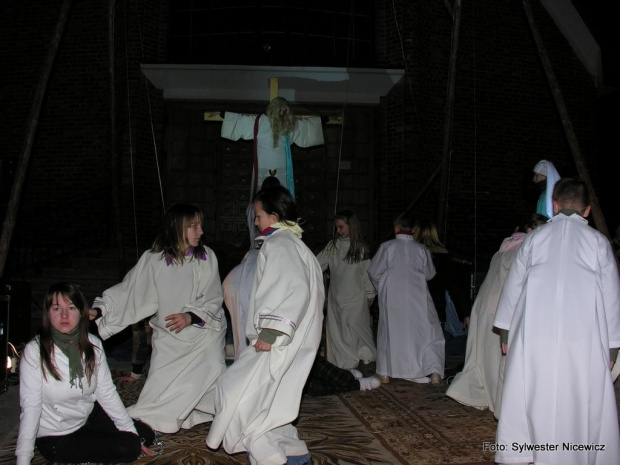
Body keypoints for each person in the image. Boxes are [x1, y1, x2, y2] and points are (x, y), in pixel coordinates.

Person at [493, 178, 620, 465]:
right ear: (587, 210)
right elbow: (612, 295)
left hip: (537, 334)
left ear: (554, 205)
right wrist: (612, 346)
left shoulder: (536, 239)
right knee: (578, 396)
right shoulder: (598, 243)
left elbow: (514, 285)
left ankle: (527, 450)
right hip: (582, 339)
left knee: (534, 389)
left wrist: (505, 331)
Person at [206, 186, 325, 465]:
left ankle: (272, 458)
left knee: (240, 395)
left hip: (277, 339)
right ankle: (293, 453)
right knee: (271, 398)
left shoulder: (280, 244)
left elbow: (292, 288)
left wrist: (270, 332)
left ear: (273, 216)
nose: (256, 222)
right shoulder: (293, 243)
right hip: (289, 338)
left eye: (258, 216)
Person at [90, 203, 227, 434]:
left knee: (212, 366)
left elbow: (213, 296)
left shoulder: (206, 257)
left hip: (205, 334)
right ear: (177, 227)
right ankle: (153, 418)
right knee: (160, 389)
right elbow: (130, 291)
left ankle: (202, 411)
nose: (200, 231)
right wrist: (101, 310)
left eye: (200, 226)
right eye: (194, 226)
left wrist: (191, 316)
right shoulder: (154, 260)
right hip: (170, 335)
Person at [16, 282, 156, 465]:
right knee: (128, 447)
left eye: (71, 307)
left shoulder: (93, 344)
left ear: (81, 313)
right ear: (48, 313)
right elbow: (31, 406)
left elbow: (106, 392)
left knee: (144, 435)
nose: (64, 315)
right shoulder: (35, 351)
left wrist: (130, 430)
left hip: (86, 415)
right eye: (57, 308)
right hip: (57, 435)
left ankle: (100, 436)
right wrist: (23, 459)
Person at [445, 213, 547, 416]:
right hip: (499, 308)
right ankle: (498, 403)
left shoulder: (507, 245)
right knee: (494, 358)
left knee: (482, 356)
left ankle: (476, 395)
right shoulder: (522, 249)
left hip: (485, 306)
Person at [368, 212, 445, 385]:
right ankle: (433, 371)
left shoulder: (387, 247)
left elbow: (373, 271)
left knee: (390, 332)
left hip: (393, 297)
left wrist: (382, 287)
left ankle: (385, 372)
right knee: (426, 331)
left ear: (396, 227)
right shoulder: (421, 249)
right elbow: (429, 274)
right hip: (417, 296)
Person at [221, 97, 324, 198]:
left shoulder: (289, 125)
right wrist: (226, 117)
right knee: (262, 196)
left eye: (284, 109)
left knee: (281, 196)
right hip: (262, 167)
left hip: (282, 168)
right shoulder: (260, 121)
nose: (282, 111)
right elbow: (242, 123)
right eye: (280, 108)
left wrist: (321, 122)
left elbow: (305, 130)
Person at [316, 209, 377, 369]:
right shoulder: (333, 246)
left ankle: (365, 354)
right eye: (337, 227)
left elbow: (366, 272)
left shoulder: (361, 248)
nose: (338, 231)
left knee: (359, 328)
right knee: (340, 331)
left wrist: (370, 293)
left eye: (341, 227)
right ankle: (346, 361)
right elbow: (317, 264)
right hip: (337, 296)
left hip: (357, 296)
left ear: (351, 226)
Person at [413, 219, 471, 335]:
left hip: (416, 308)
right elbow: (455, 286)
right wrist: (466, 312)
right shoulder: (443, 256)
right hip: (436, 310)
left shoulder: (413, 254)